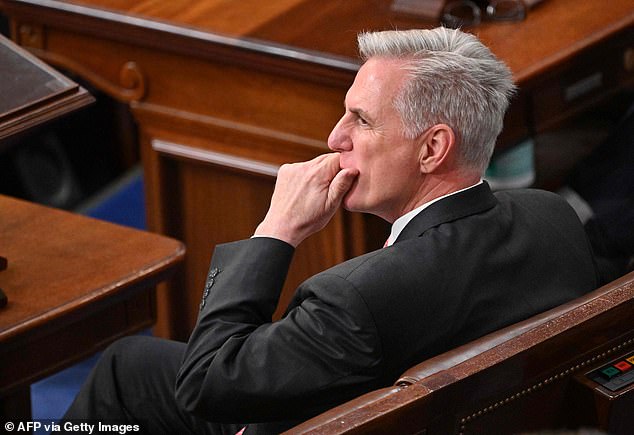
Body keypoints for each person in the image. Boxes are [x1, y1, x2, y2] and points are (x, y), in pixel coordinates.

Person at [63, 27, 599, 434]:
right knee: (128, 367)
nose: (334, 136)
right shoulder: (552, 219)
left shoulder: (357, 300)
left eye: (361, 120)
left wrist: (275, 231)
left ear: (433, 149)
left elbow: (205, 385)